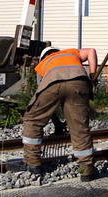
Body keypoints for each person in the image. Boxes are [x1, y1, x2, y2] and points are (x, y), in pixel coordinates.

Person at [22, 46, 99, 182]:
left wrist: (56, 121)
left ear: (43, 57)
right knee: (79, 127)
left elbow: (45, 100)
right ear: (58, 51)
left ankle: (33, 163)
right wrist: (93, 76)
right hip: (79, 81)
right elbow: (91, 51)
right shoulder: (70, 52)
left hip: (52, 83)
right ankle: (87, 170)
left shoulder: (42, 65)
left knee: (32, 119)